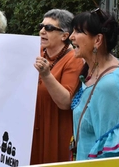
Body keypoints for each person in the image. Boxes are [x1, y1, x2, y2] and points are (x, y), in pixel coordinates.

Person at [52, 8, 119, 160]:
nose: (72, 37)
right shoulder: (90, 72)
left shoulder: (111, 84)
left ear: (98, 40)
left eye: (78, 32)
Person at [31, 9, 83, 164]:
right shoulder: (37, 52)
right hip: (33, 130)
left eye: (48, 28)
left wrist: (47, 75)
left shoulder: (74, 59)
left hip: (55, 130)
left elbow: (66, 102)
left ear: (65, 36)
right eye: (41, 26)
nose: (41, 31)